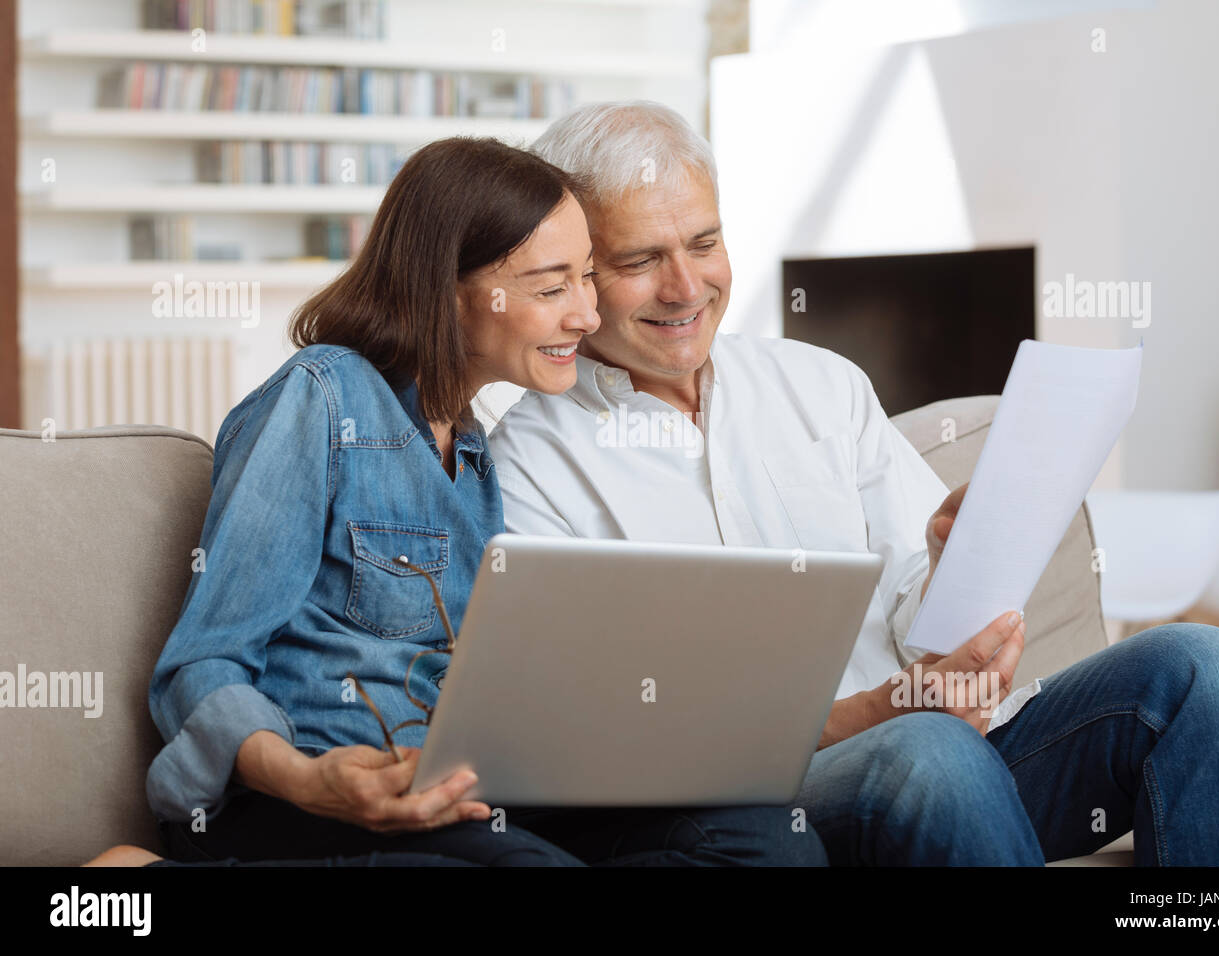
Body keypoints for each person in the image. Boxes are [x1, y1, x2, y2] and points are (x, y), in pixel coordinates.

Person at [486, 101, 1219, 866]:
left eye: (703, 243)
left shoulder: (819, 386)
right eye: (640, 260)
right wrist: (882, 714)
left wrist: (955, 573)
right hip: (783, 806)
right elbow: (620, 734)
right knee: (927, 752)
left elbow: (926, 617)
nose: (687, 287)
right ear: (578, 272)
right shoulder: (531, 462)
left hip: (949, 757)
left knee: (1210, 672)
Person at [89, 137, 826, 868]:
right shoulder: (321, 397)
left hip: (455, 791)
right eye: (550, 288)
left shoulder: (476, 457)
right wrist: (311, 782)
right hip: (303, 800)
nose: (587, 317)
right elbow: (204, 662)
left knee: (766, 838)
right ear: (446, 292)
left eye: (588, 278)